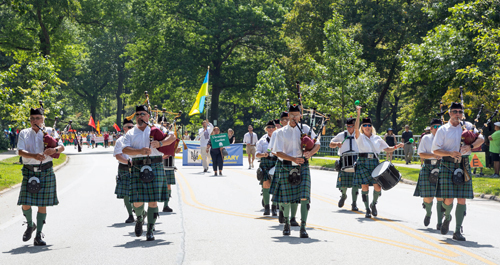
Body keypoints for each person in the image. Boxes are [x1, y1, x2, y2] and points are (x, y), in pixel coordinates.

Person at [122, 105, 176, 241]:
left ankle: (150, 230)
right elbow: (125, 150)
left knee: (153, 201)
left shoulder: (156, 128)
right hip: (137, 167)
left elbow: (173, 137)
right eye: (138, 114)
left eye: (143, 114)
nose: (140, 116)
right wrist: (140, 152)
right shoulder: (130, 133)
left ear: (147, 116)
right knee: (137, 202)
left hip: (155, 165)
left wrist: (161, 144)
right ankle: (140, 217)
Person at [432, 102, 484, 241]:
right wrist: (449, 153)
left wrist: (471, 146)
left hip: (464, 165)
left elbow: (481, 139)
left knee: (462, 198)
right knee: (448, 199)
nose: (457, 114)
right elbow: (435, 150)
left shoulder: (467, 126)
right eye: (454, 111)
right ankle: (447, 218)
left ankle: (457, 231)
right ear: (449, 113)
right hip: (448, 164)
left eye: (460, 112)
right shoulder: (443, 129)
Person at [17, 105, 65, 246]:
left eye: (38, 118)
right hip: (29, 170)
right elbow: (20, 152)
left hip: (45, 170)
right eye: (32, 118)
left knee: (41, 204)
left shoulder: (50, 131)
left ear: (43, 119)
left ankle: (38, 235)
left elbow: (61, 147)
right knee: (25, 203)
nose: (35, 120)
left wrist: (53, 150)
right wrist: (34, 155)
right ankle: (30, 225)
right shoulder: (24, 133)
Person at [273, 104, 320, 238]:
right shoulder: (281, 132)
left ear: (300, 116)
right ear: (288, 116)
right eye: (291, 115)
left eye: (296, 115)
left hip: (303, 166)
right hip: (287, 165)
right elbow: (278, 152)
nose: (294, 118)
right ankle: (287, 223)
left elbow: (317, 144)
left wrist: (310, 153)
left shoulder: (306, 129)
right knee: (286, 199)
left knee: (304, 197)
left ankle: (303, 227)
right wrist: (293, 158)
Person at [354, 106, 404, 218]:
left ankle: (373, 204)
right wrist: (358, 114)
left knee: (378, 187)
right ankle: (367, 209)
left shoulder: (377, 138)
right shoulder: (359, 137)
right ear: (362, 127)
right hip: (362, 162)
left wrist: (397, 146)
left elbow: (388, 149)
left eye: (369, 125)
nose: (367, 127)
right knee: (365, 186)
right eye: (365, 125)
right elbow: (355, 128)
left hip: (374, 162)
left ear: (372, 127)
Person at [413, 119, 445, 229]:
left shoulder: (445, 139)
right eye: (435, 127)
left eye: (440, 126)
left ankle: (440, 222)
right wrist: (434, 155)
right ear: (430, 129)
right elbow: (421, 154)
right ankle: (428, 213)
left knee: (440, 196)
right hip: (428, 167)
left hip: (442, 166)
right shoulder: (426, 138)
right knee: (428, 197)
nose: (437, 129)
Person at [330, 118, 360, 211]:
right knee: (343, 184)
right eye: (348, 126)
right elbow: (331, 144)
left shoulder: (359, 135)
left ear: (354, 126)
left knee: (355, 184)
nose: (349, 128)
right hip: (344, 160)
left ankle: (354, 204)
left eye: (351, 126)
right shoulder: (342, 135)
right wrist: (337, 144)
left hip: (355, 160)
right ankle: (343, 195)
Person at [113, 119, 136, 223]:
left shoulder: (137, 139)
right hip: (125, 168)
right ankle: (130, 215)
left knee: (138, 191)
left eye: (133, 127)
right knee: (126, 194)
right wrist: (128, 162)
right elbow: (118, 156)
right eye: (129, 127)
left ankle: (138, 211)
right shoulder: (120, 140)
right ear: (124, 128)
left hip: (137, 168)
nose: (132, 129)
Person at [269, 112, 289, 222]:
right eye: (284, 120)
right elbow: (271, 150)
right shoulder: (277, 134)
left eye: (288, 119)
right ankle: (281, 209)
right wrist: (285, 156)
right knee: (282, 189)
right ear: (281, 122)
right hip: (282, 163)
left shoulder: (298, 131)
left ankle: (293, 217)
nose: (287, 121)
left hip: (295, 163)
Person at [256, 120, 278, 215]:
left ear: (275, 128)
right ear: (266, 129)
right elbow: (257, 154)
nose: (271, 129)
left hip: (276, 162)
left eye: (272, 127)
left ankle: (274, 208)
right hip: (265, 162)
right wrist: (263, 155)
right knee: (266, 185)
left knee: (276, 185)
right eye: (269, 127)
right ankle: (266, 208)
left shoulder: (279, 138)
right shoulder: (262, 140)